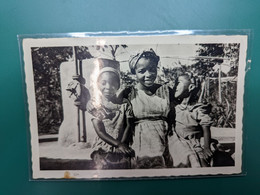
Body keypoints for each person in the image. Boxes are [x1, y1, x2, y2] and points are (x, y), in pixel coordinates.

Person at [121, 49, 175, 168]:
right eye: (142, 71)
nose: (149, 74)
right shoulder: (129, 93)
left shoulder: (166, 91)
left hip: (166, 138)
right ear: (134, 72)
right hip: (141, 140)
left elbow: (175, 116)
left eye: (152, 69)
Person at [90, 59, 135, 169]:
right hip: (103, 147)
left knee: (124, 170)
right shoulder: (96, 105)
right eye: (104, 83)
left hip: (122, 144)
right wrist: (117, 144)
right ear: (97, 84)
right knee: (103, 171)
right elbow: (100, 131)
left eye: (113, 83)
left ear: (118, 85)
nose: (108, 87)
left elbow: (129, 125)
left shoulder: (125, 104)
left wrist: (122, 144)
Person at [169, 73, 213, 168]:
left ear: (191, 87)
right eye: (175, 83)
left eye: (178, 83)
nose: (175, 86)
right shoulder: (174, 106)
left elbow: (206, 128)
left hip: (193, 144)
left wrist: (206, 147)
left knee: (200, 164)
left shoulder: (197, 109)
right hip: (176, 143)